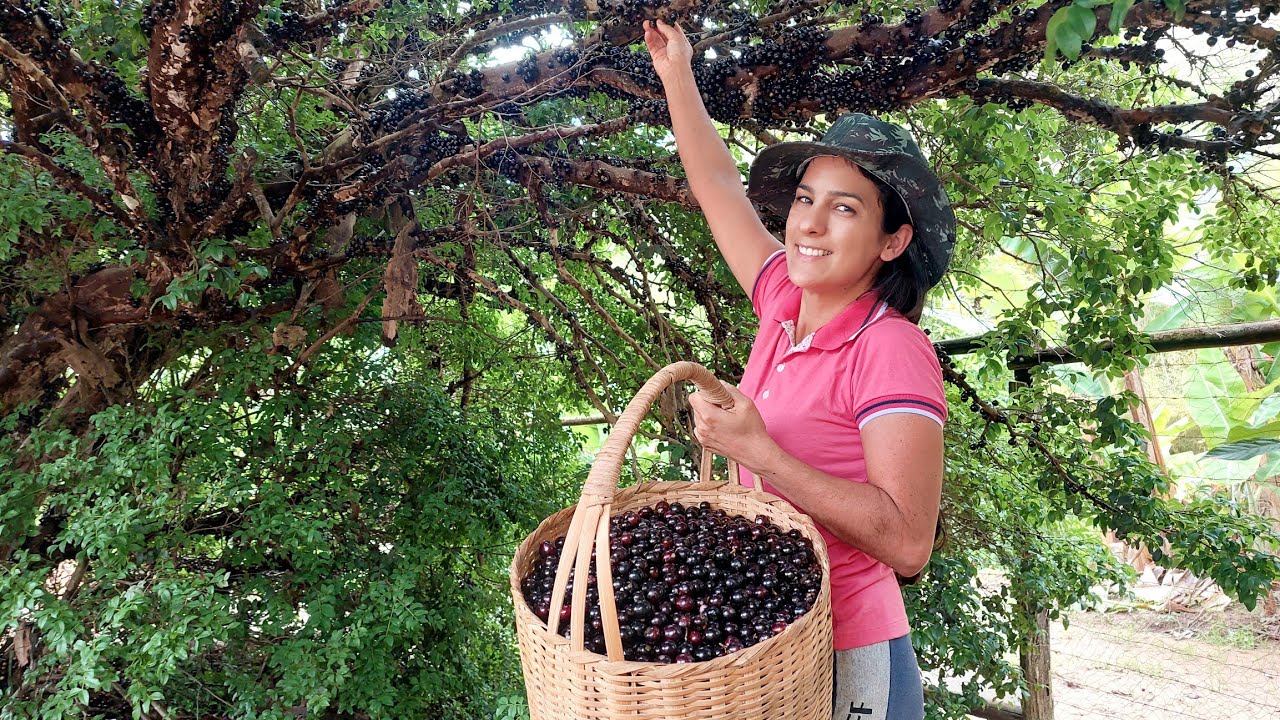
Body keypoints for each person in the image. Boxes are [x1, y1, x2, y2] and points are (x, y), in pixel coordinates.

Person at [644, 19, 955, 720]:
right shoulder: (785, 299)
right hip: (775, 637)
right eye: (806, 200)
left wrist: (759, 452)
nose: (809, 225)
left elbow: (907, 543)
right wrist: (677, 74)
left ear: (891, 240)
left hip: (850, 649)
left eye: (844, 208)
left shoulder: (890, 347)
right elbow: (721, 186)